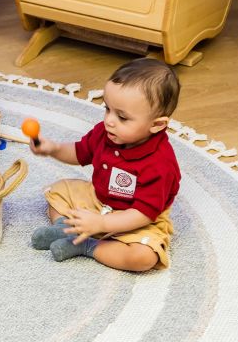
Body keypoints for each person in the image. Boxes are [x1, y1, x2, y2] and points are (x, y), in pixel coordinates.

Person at [29, 58, 181, 272]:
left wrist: (101, 225)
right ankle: (67, 229)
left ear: (157, 125)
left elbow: (143, 213)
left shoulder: (160, 164)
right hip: (98, 199)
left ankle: (88, 245)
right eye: (108, 109)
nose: (109, 120)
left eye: (122, 117)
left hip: (136, 217)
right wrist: (53, 148)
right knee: (58, 191)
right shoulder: (105, 132)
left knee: (143, 258)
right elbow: (79, 153)